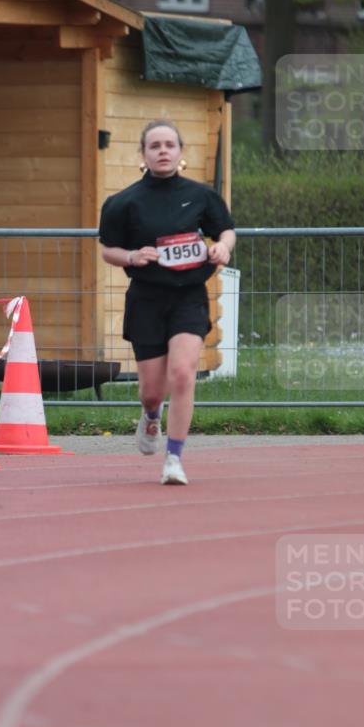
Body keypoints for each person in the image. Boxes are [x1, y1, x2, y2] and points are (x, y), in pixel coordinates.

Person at [99, 119, 236, 485]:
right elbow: (107, 250)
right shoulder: (123, 202)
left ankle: (174, 458)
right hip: (147, 299)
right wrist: (131, 257)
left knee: (183, 373)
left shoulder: (201, 195)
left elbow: (225, 229)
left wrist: (222, 246)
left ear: (180, 152)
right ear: (143, 154)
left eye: (169, 145)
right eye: (155, 146)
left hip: (189, 296)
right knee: (151, 390)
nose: (163, 151)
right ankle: (150, 414)